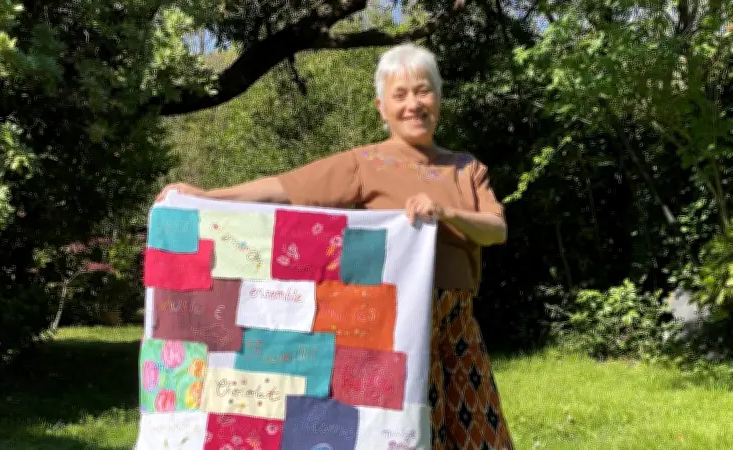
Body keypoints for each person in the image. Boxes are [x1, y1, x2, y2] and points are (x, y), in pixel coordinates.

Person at [156, 43, 514, 450]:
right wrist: (210, 197)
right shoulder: (365, 163)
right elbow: (288, 189)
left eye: (423, 91)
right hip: (397, 328)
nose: (413, 104)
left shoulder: (467, 168)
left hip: (459, 326)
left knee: (479, 435)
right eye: (400, 95)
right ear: (381, 108)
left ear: (438, 98)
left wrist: (445, 212)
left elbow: (495, 230)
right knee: (408, 433)